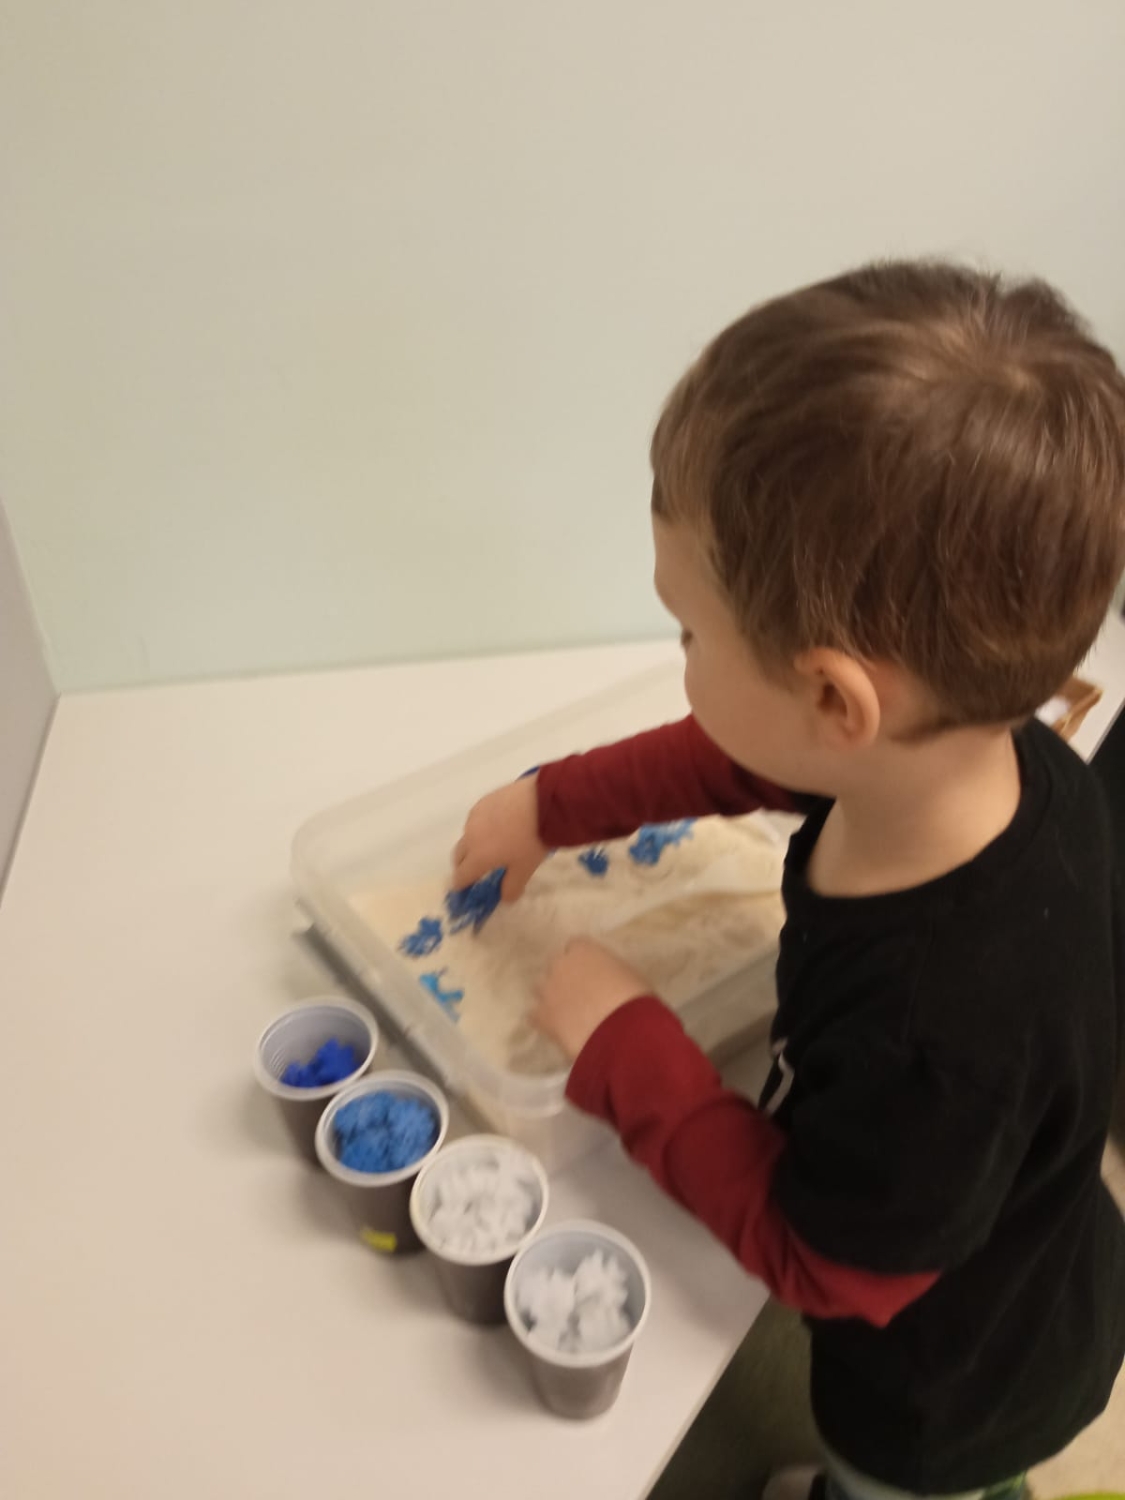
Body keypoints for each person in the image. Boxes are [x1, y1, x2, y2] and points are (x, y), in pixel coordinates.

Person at [451, 262, 1125, 1500]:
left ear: (833, 699)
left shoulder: (937, 1030)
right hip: (1035, 1248)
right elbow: (746, 756)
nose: (679, 654)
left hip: (942, 1389)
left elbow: (825, 1266)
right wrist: (551, 805)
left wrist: (627, 1047)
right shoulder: (988, 759)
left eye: (688, 632)